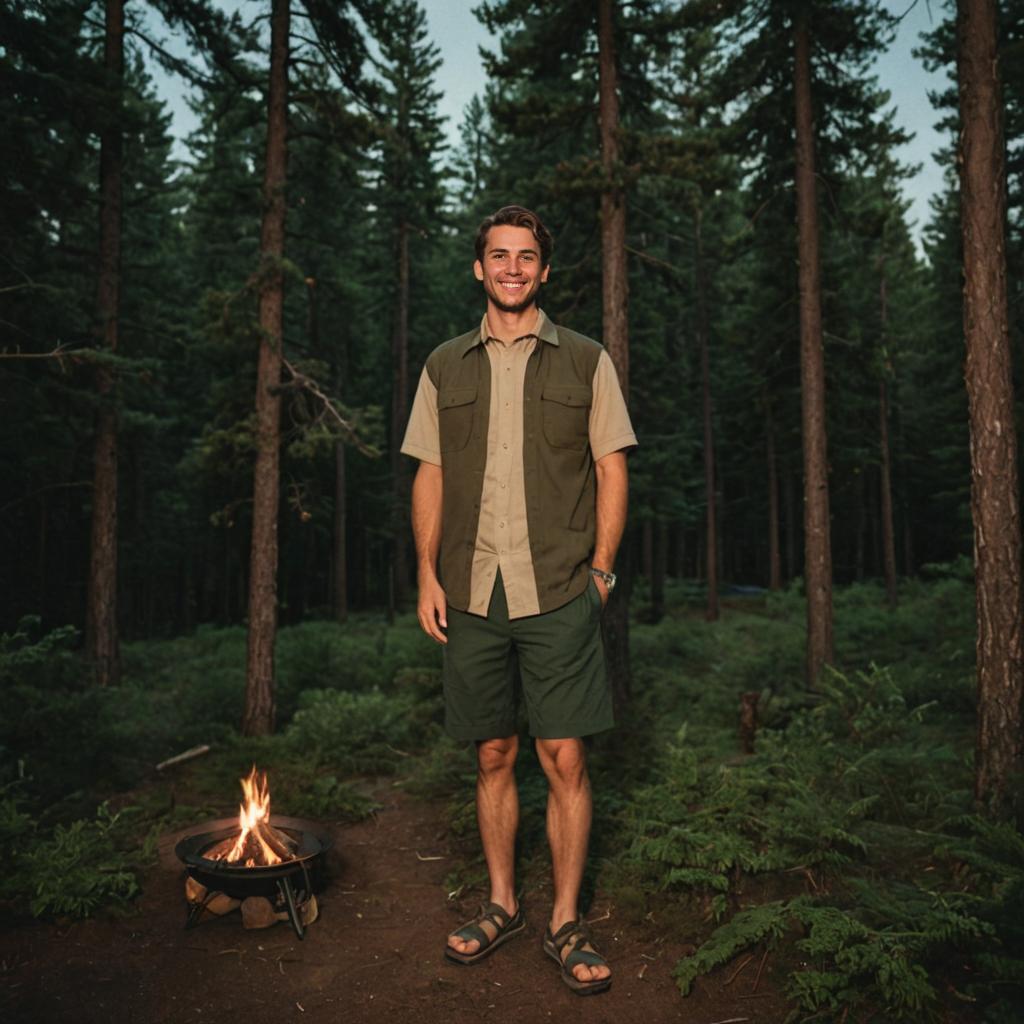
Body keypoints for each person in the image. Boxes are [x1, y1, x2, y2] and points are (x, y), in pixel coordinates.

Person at [400, 205, 636, 996]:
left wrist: (601, 572)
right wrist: (427, 574)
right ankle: (500, 902)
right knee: (493, 753)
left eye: (526, 256)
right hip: (470, 592)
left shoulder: (587, 361)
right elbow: (428, 472)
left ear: (543, 270)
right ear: (479, 268)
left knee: (563, 757)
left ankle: (566, 920)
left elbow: (612, 467)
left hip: (561, 590)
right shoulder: (443, 366)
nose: (512, 268)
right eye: (498, 256)